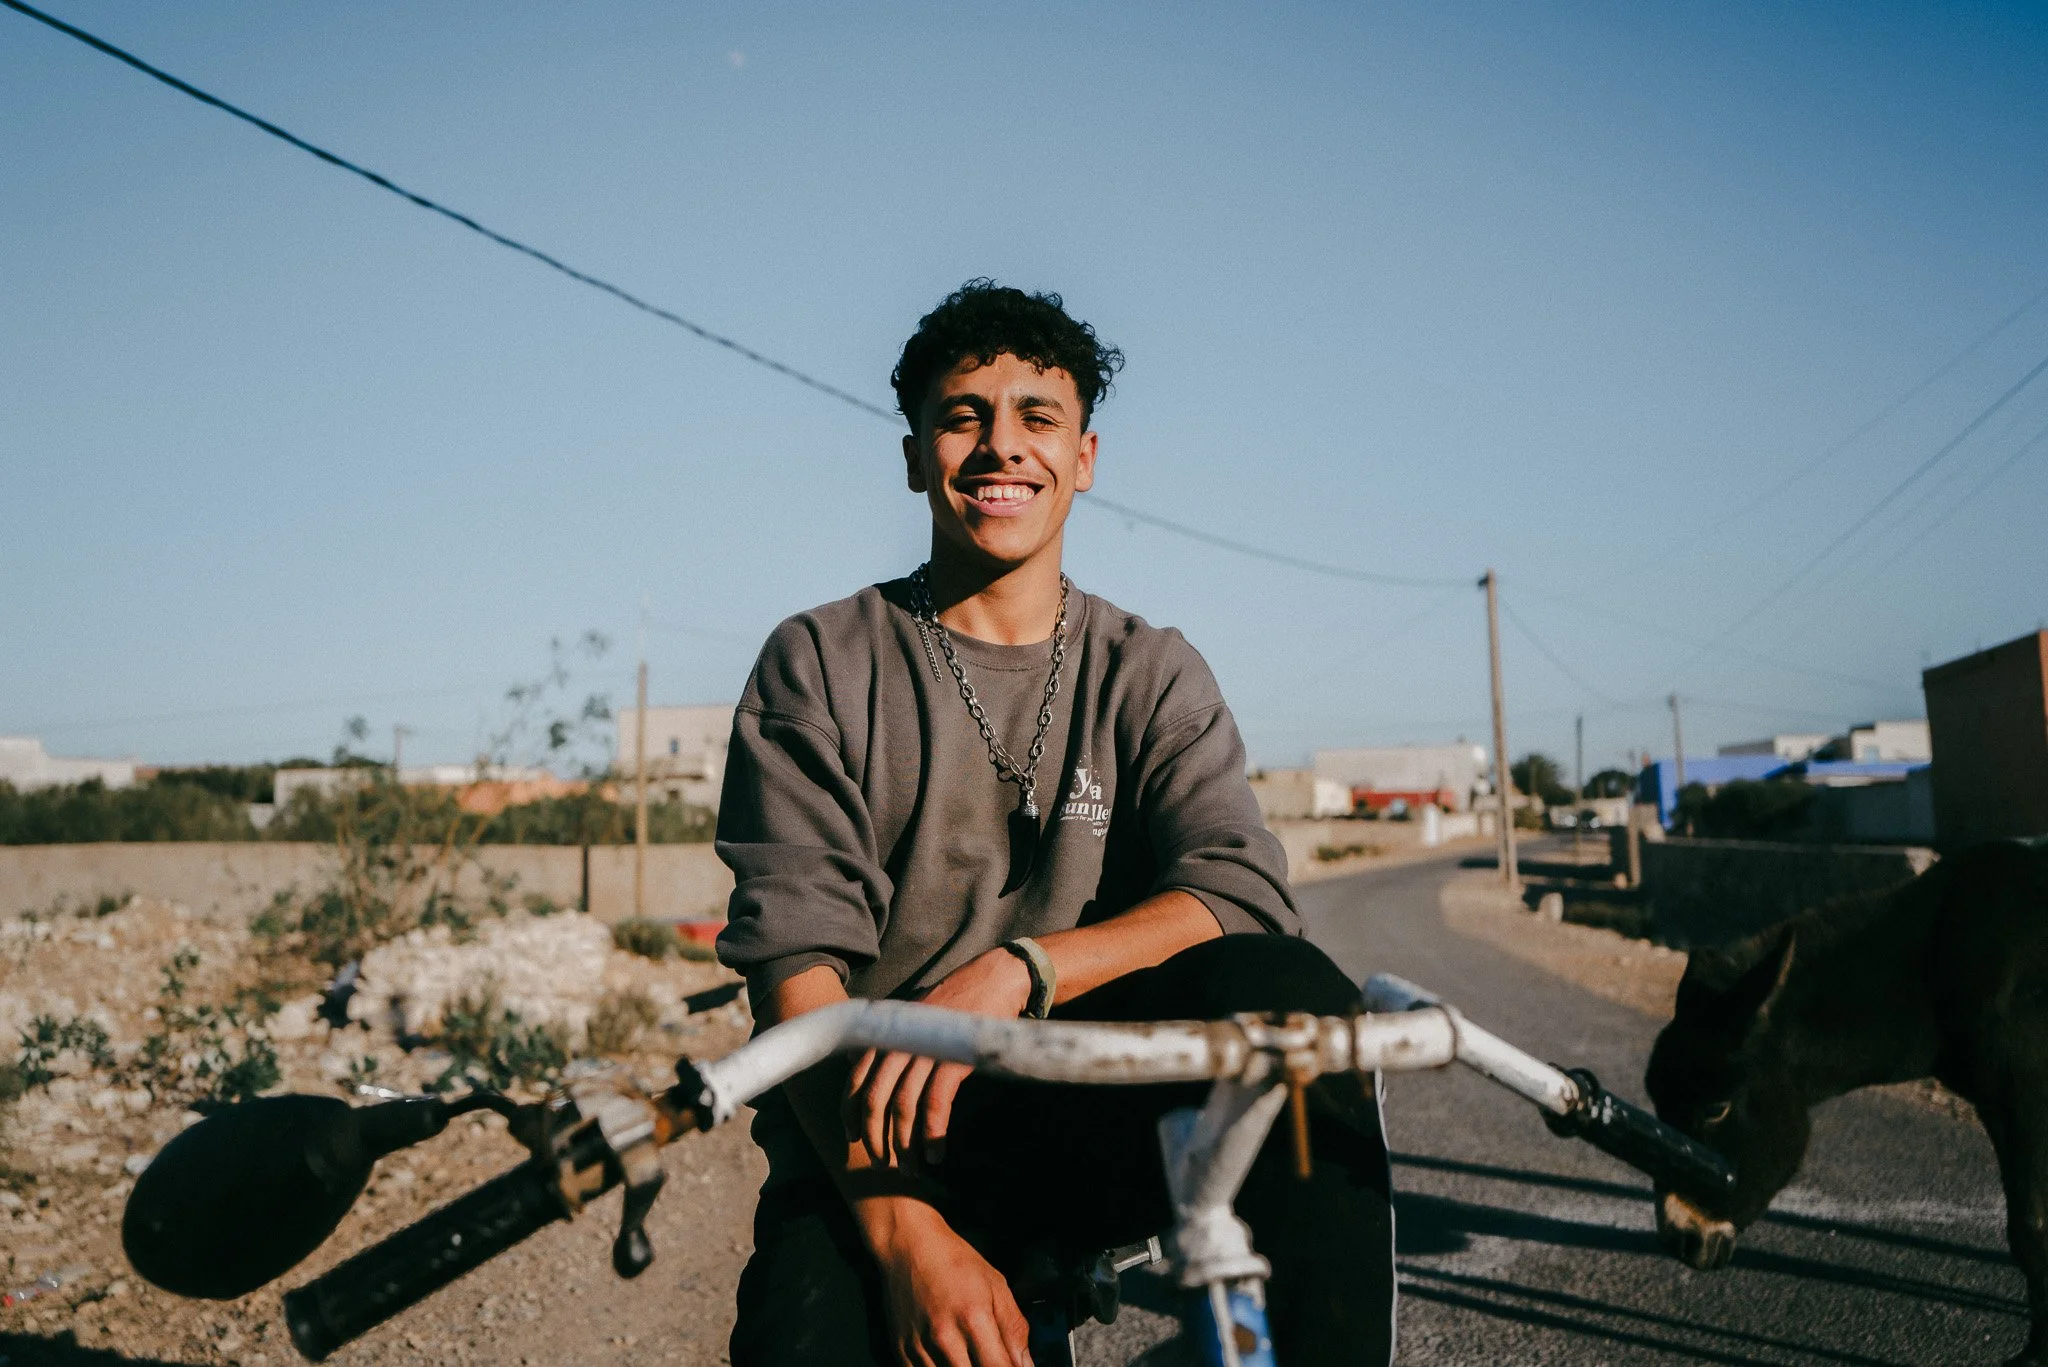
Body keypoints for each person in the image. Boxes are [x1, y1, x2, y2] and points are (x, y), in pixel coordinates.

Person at [715, 280, 1396, 1367]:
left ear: (1082, 458)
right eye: (963, 415)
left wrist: (1018, 972)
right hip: (880, 1141)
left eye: (1036, 416)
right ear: (914, 456)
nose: (1000, 446)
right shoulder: (821, 661)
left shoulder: (1148, 669)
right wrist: (908, 1241)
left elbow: (1241, 892)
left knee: (1295, 999)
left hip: (1078, 1106)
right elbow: (795, 969)